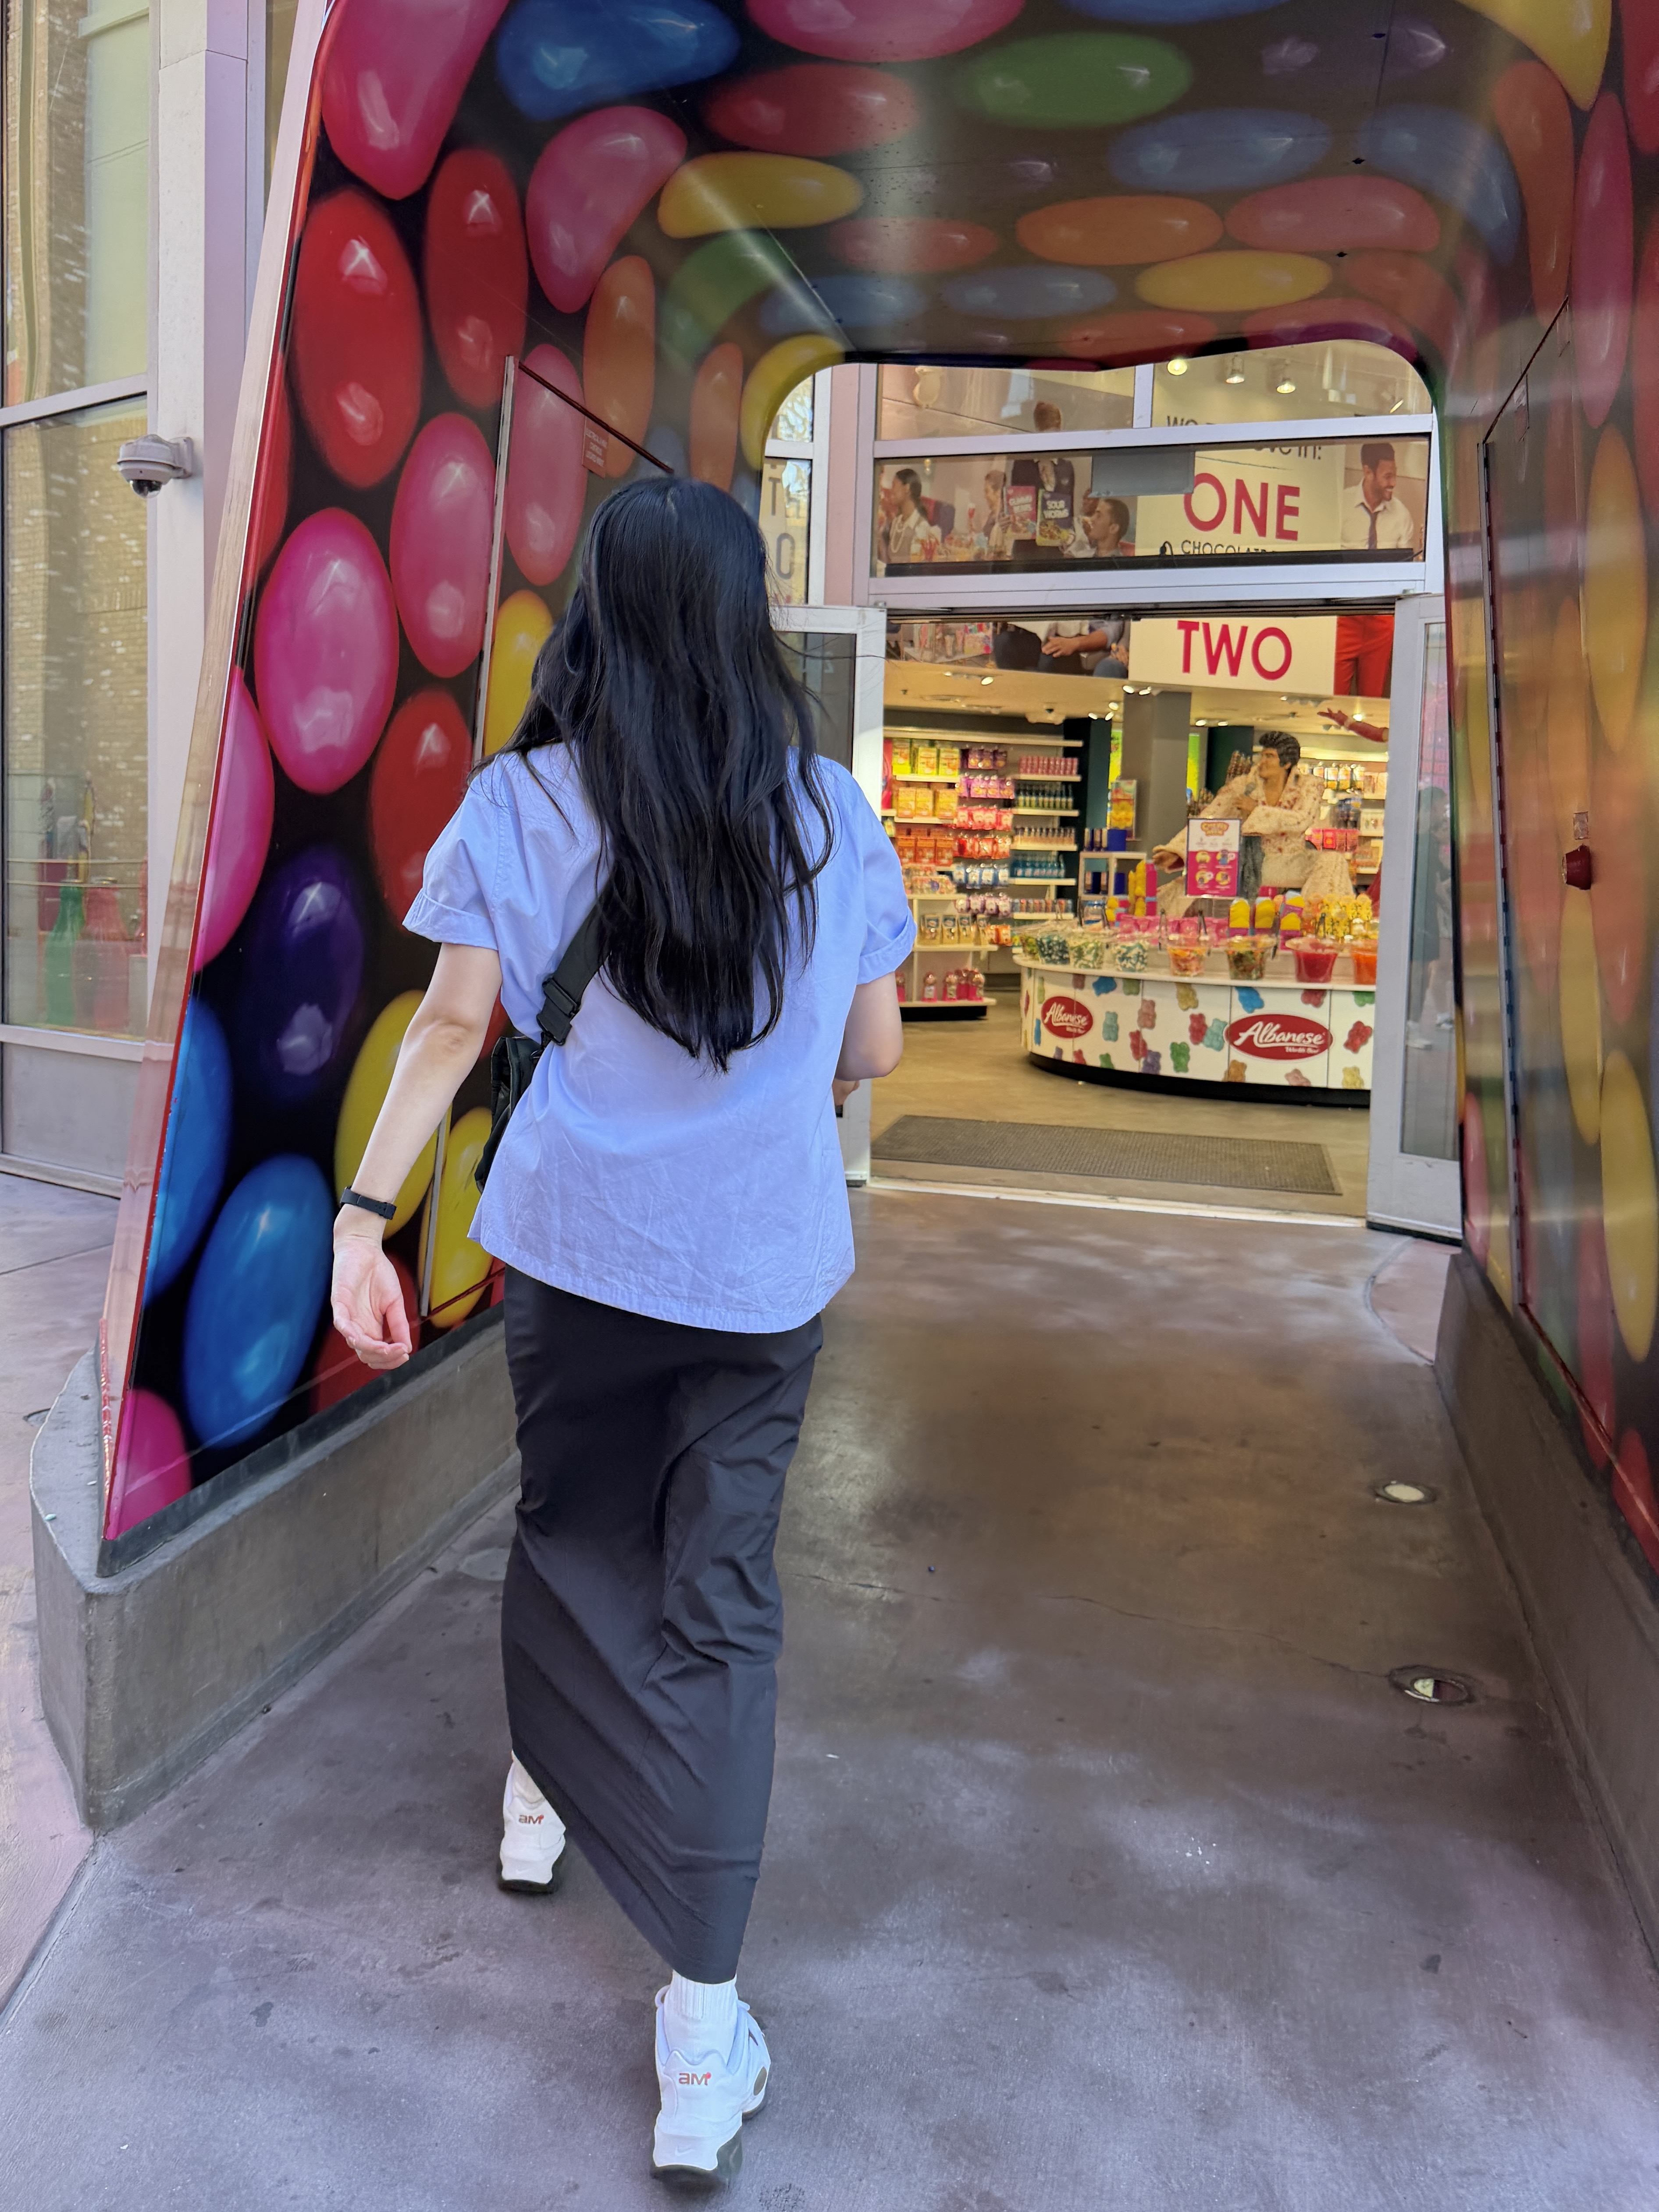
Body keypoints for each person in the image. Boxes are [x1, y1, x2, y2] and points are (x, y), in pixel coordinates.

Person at [328, 477, 912, 2187]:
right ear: (744, 619)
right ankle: (701, 2039)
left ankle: (542, 1797)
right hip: (760, 1278)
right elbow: (876, 1049)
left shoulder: (520, 802)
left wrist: (364, 1220)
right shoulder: (830, 812)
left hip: (576, 1260)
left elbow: (450, 1033)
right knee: (717, 1607)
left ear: (596, 613)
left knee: (571, 1529)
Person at [1153, 733, 1352, 911]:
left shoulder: (1308, 785)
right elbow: (1209, 818)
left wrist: (1256, 810)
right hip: (1245, 862)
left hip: (1290, 861)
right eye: (1262, 755)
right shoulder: (1242, 785)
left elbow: (1302, 820)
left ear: (1286, 764)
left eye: (1270, 756)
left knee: (1333, 860)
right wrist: (1176, 851)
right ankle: (1153, 918)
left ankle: (1319, 917)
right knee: (1191, 882)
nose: (1262, 761)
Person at [1341, 441, 1417, 551]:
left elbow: (1406, 561)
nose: (1394, 483)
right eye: (1388, 477)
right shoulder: (1341, 506)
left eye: (1395, 475)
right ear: (1368, 473)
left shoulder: (1402, 516)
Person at [878, 465, 940, 566]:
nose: (891, 490)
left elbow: (917, 569)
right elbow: (889, 563)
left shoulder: (921, 527)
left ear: (907, 489)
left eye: (894, 485)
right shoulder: (897, 522)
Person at [1041, 613, 1128, 677]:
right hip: (1057, 641)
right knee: (1045, 659)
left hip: (1101, 651)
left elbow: (1111, 633)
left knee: (1108, 668)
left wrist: (1075, 643)